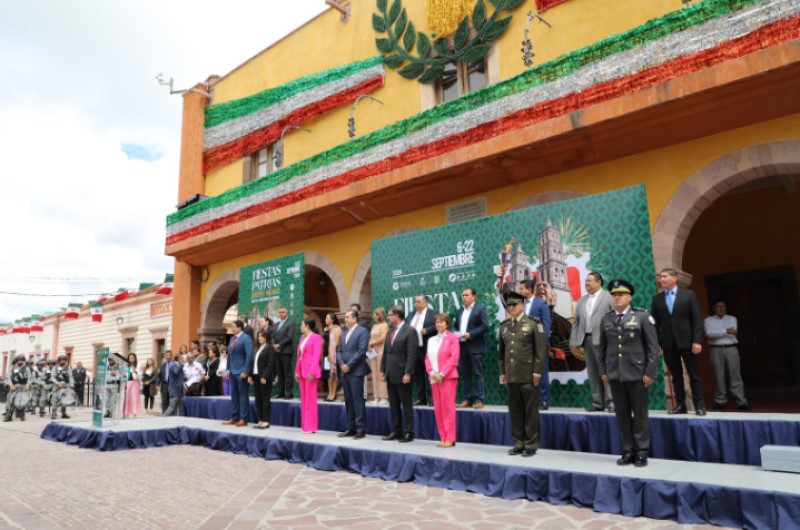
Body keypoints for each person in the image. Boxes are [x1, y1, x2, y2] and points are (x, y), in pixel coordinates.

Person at [599, 279, 659, 467]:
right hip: (615, 374)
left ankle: (641, 451)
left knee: (639, 414)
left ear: (629, 297)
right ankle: (628, 450)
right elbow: (602, 348)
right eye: (615, 295)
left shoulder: (642, 317)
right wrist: (603, 371)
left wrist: (649, 372)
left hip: (637, 373)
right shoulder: (606, 319)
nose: (617, 298)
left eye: (621, 295)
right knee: (622, 414)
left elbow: (652, 348)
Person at [498, 291, 547, 457]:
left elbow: (540, 352)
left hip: (528, 375)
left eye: (515, 304)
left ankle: (531, 444)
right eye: (509, 305)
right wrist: (502, 373)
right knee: (515, 411)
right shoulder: (504, 326)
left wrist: (537, 372)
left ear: (523, 305)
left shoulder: (534, 324)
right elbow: (501, 353)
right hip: (511, 376)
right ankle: (519, 442)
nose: (511, 308)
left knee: (530, 412)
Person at [651, 267, 706, 415]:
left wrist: (697, 340)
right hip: (668, 343)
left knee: (694, 375)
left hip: (688, 342)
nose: (662, 279)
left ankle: (699, 405)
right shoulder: (657, 299)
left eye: (665, 276)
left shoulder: (689, 295)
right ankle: (681, 405)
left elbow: (696, 320)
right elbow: (655, 323)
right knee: (676, 376)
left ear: (674, 278)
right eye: (661, 277)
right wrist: (657, 343)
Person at [569, 272, 614, 412]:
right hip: (586, 340)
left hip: (604, 341)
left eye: (589, 281)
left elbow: (616, 318)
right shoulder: (582, 300)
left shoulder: (609, 298)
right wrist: (574, 341)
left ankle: (612, 402)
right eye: (585, 281)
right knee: (593, 373)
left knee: (606, 371)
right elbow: (576, 322)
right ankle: (597, 403)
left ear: (599, 282)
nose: (586, 283)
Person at [380, 305, 417, 443]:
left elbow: (411, 354)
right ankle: (396, 431)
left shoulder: (410, 331)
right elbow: (386, 353)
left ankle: (409, 432)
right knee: (393, 404)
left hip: (403, 374)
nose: (388, 318)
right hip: (390, 373)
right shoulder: (390, 332)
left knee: (406, 405)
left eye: (389, 315)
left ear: (396, 316)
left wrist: (408, 372)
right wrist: (383, 370)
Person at [704, 301, 749, 411]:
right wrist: (725, 331)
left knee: (735, 375)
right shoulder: (708, 320)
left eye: (723, 306)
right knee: (718, 376)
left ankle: (741, 401)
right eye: (718, 306)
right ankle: (720, 402)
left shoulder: (732, 319)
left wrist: (719, 332)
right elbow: (709, 334)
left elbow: (733, 332)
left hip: (731, 348)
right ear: (714, 308)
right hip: (715, 349)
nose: (721, 308)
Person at [425, 313, 460, 447]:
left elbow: (454, 358)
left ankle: (450, 437)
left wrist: (442, 373)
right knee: (438, 408)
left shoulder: (452, 338)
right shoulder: (431, 339)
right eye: (437, 322)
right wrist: (433, 373)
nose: (439, 324)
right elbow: (427, 358)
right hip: (434, 378)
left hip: (448, 378)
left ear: (447, 324)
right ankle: (443, 436)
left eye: (441, 322)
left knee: (447, 408)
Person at [336, 309, 371, 439]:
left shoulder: (362, 331)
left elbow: (362, 352)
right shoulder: (345, 333)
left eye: (348, 317)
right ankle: (350, 427)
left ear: (355, 319)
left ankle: (360, 429)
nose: (345, 319)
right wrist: (341, 364)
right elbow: (338, 351)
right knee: (348, 400)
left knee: (357, 400)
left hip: (355, 371)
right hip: (345, 371)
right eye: (345, 317)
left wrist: (348, 365)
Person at [519, 279, 553, 410]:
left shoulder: (541, 304)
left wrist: (540, 341)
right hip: (523, 345)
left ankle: (544, 400)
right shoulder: (519, 304)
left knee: (541, 372)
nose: (520, 291)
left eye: (521, 288)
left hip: (538, 343)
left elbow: (546, 325)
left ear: (529, 289)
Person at [454, 288, 489, 409]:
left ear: (474, 297)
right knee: (465, 374)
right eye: (462, 295)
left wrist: (471, 334)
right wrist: (456, 335)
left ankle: (480, 400)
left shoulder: (480, 309)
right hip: (462, 347)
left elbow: (485, 326)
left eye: (467, 295)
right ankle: (467, 399)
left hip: (476, 346)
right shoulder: (459, 312)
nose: (464, 297)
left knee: (478, 374)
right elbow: (455, 327)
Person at [223, 320, 253, 427]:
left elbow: (249, 355)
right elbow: (229, 355)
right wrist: (227, 369)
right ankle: (234, 417)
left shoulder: (246, 338)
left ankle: (243, 418)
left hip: (241, 372)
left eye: (234, 327)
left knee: (243, 395)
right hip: (232, 371)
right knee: (234, 395)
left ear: (240, 327)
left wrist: (245, 371)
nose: (232, 329)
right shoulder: (232, 338)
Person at [407, 295, 436, 406]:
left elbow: (439, 326)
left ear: (425, 303)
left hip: (427, 348)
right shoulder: (410, 315)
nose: (416, 304)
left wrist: (427, 330)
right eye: (415, 302)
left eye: (418, 302)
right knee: (418, 374)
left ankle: (431, 399)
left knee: (430, 373)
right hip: (414, 349)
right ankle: (421, 398)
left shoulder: (433, 313)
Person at [295, 318, 323, 434]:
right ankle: (305, 425)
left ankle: (311, 426)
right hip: (302, 370)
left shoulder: (316, 337)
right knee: (304, 399)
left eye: (301, 324)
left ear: (306, 326)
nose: (301, 327)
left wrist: (312, 372)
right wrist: (297, 370)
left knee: (310, 400)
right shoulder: (302, 338)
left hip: (311, 371)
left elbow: (317, 356)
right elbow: (299, 356)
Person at [250, 330, 276, 429]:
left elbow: (270, 364)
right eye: (258, 336)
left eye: (261, 336)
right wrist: (251, 376)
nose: (259, 338)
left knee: (265, 400)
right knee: (258, 400)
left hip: (265, 377)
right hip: (256, 376)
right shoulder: (257, 348)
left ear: (266, 337)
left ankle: (266, 421)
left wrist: (265, 376)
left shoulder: (270, 348)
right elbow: (253, 363)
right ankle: (260, 420)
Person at [272, 307, 296, 400]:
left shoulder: (291, 323)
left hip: (286, 351)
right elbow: (273, 336)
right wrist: (274, 345)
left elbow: (289, 337)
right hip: (276, 352)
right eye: (279, 312)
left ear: (286, 313)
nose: (280, 314)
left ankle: (289, 393)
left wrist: (279, 345)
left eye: (282, 312)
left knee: (287, 373)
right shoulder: (277, 324)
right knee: (279, 373)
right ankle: (280, 393)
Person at [368, 307, 389, 404]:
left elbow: (383, 338)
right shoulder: (374, 326)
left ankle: (384, 396)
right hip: (372, 352)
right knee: (374, 373)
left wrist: (372, 343)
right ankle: (376, 396)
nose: (373, 316)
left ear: (379, 315)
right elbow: (371, 338)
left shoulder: (384, 325)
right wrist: (369, 346)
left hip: (381, 350)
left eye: (375, 314)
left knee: (381, 373)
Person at [3, 354, 30, 422]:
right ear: (17, 360)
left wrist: (28, 385)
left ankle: (22, 414)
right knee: (11, 400)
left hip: (23, 386)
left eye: (22, 360)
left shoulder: (26, 368)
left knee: (23, 400)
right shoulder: (12, 368)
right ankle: (9, 415)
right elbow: (8, 377)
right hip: (14, 386)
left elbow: (29, 377)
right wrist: (11, 385)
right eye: (19, 360)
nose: (20, 362)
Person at [322, 313, 342, 402]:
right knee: (328, 375)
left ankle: (334, 393)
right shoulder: (326, 329)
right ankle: (329, 392)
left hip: (333, 354)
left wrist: (332, 353)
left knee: (334, 375)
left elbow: (336, 342)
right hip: (326, 354)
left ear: (332, 320)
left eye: (327, 318)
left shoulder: (336, 329)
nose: (325, 319)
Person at [122, 353, 141, 419]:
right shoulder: (126, 366)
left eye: (132, 357)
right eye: (130, 358)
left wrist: (135, 371)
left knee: (134, 398)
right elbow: (124, 375)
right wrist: (124, 383)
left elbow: (140, 375)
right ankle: (126, 414)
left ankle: (134, 414)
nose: (131, 359)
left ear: (135, 358)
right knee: (128, 398)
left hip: (135, 382)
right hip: (128, 382)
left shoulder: (138, 365)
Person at [158, 350, 174, 414]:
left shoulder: (175, 364)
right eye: (166, 355)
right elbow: (159, 376)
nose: (168, 356)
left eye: (169, 355)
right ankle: (164, 415)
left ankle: (172, 415)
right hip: (164, 385)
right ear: (165, 356)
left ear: (171, 356)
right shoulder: (163, 365)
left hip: (172, 385)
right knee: (164, 401)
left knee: (171, 401)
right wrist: (157, 384)